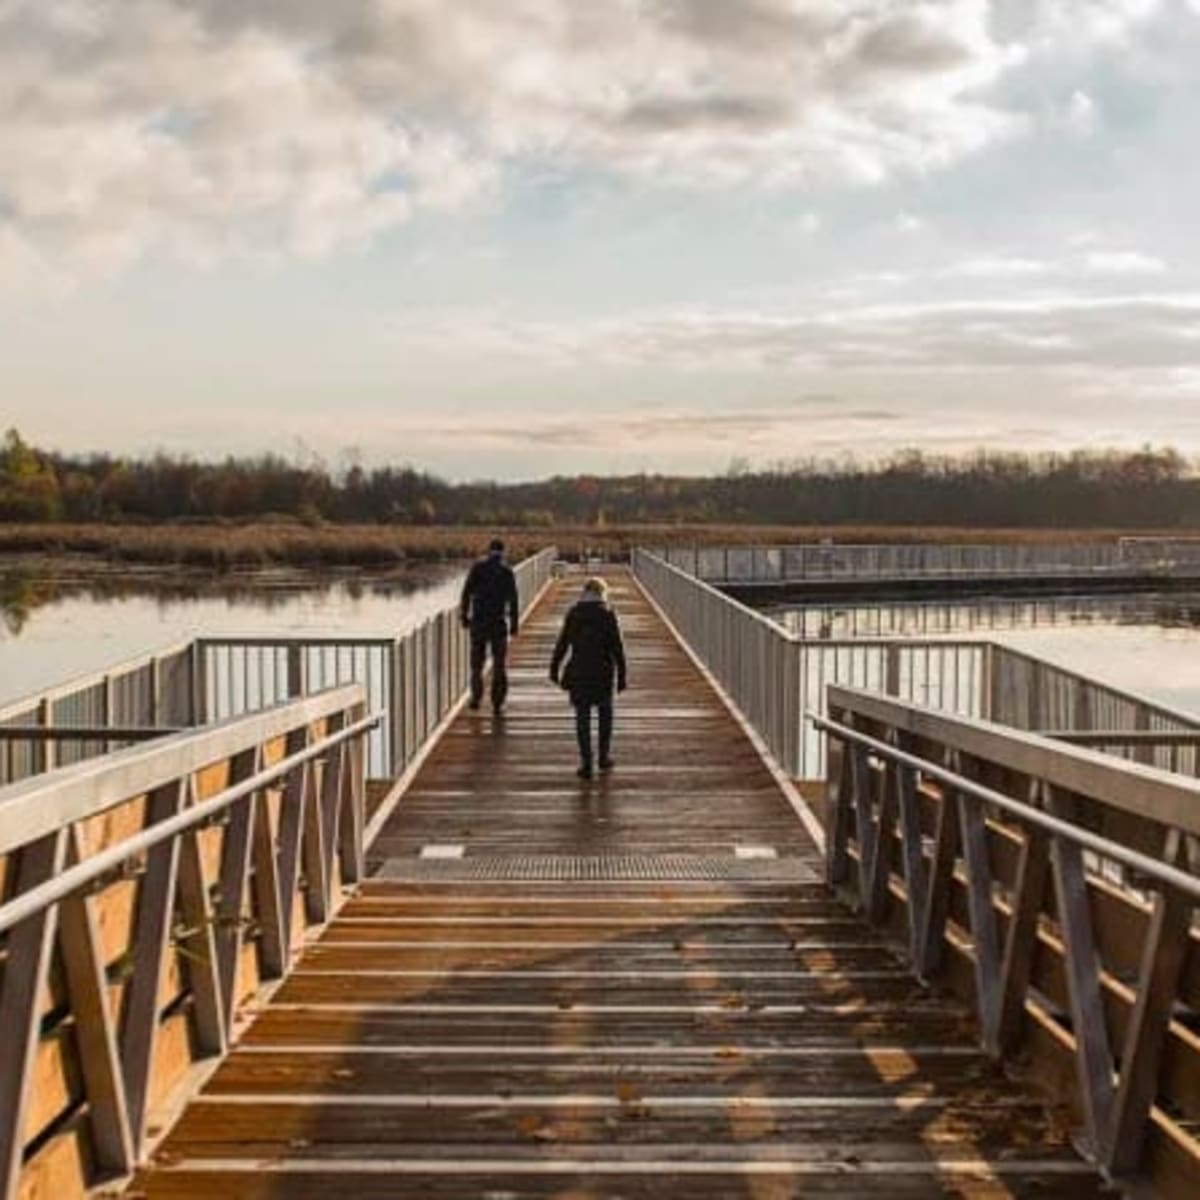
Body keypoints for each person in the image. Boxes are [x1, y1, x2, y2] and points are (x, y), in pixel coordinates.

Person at [549, 576, 627, 779]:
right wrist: (622, 675)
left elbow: (563, 643)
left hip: (579, 671)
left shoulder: (574, 613)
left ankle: (586, 763)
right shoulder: (608, 614)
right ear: (603, 593)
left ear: (584, 592)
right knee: (605, 715)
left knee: (582, 717)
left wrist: (554, 667)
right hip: (603, 672)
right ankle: (603, 757)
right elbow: (617, 647)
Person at [460, 538, 519, 712]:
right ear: (503, 552)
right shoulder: (506, 571)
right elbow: (513, 600)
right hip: (498, 623)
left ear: (489, 550)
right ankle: (497, 704)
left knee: (476, 665)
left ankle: (476, 699)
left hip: (478, 622)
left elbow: (466, 593)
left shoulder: (478, 568)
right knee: (499, 665)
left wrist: (464, 615)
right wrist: (514, 623)